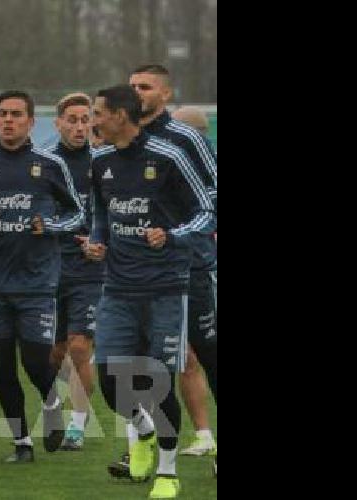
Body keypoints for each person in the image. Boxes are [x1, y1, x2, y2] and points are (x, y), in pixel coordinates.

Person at [84, 84, 215, 498]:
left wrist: (172, 235)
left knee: (158, 380)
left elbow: (206, 209)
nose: (93, 122)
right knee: (110, 379)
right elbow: (101, 212)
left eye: (98, 114)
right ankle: (142, 433)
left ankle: (168, 471)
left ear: (121, 116)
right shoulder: (101, 160)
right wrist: (98, 239)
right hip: (118, 287)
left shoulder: (170, 156)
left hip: (166, 287)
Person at [0, 90, 84, 464]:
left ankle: (52, 400)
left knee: (37, 359)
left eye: (16, 114)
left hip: (37, 283)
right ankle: (21, 442)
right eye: (3, 114)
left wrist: (51, 225)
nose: (8, 120)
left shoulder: (50, 165)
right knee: (3, 365)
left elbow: (78, 216)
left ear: (30, 122)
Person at [131, 64, 218, 460]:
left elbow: (211, 197)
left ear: (165, 94)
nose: (136, 92)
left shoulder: (186, 140)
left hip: (189, 266)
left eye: (144, 86)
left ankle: (203, 436)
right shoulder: (123, 140)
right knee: (146, 360)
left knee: (203, 353)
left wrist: (177, 234)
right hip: (136, 273)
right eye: (131, 86)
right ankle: (145, 444)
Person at [46, 93, 103, 451]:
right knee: (52, 353)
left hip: (90, 269)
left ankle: (78, 426)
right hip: (49, 269)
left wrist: (100, 240)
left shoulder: (104, 163)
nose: (80, 127)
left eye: (86, 120)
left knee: (80, 347)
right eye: (73, 120)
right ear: (58, 123)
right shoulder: (45, 164)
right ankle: (52, 407)